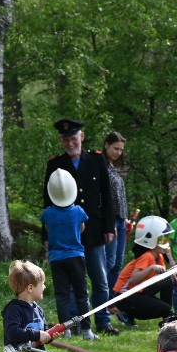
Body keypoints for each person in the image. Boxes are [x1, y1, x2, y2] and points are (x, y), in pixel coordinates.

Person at [43, 119, 119, 336]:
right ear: (61, 141)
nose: (70, 143)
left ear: (81, 137)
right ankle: (74, 324)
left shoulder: (96, 160)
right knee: (71, 283)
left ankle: (103, 321)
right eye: (65, 139)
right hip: (66, 233)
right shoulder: (55, 164)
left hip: (94, 229)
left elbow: (107, 195)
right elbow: (47, 201)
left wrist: (109, 226)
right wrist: (45, 234)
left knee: (100, 280)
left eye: (73, 138)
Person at [41, 168, 94, 340]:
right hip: (76, 257)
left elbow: (48, 230)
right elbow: (82, 228)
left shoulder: (48, 213)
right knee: (81, 294)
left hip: (57, 258)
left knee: (62, 295)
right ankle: (87, 330)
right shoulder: (78, 211)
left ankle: (66, 331)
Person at [112, 215, 175, 323]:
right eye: (163, 239)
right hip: (125, 297)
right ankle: (125, 313)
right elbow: (133, 279)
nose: (166, 242)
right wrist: (151, 268)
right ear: (151, 240)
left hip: (138, 292)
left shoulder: (158, 256)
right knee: (164, 308)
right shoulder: (147, 256)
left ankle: (167, 317)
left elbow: (163, 277)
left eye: (166, 238)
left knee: (168, 280)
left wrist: (169, 257)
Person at [102, 132, 130, 300]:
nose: (118, 152)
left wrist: (125, 218)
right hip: (110, 221)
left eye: (120, 150)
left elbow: (120, 197)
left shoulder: (113, 168)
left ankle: (112, 300)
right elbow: (104, 198)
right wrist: (109, 222)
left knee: (118, 262)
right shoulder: (101, 167)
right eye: (115, 148)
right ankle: (101, 299)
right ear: (106, 145)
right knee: (109, 261)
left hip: (121, 219)